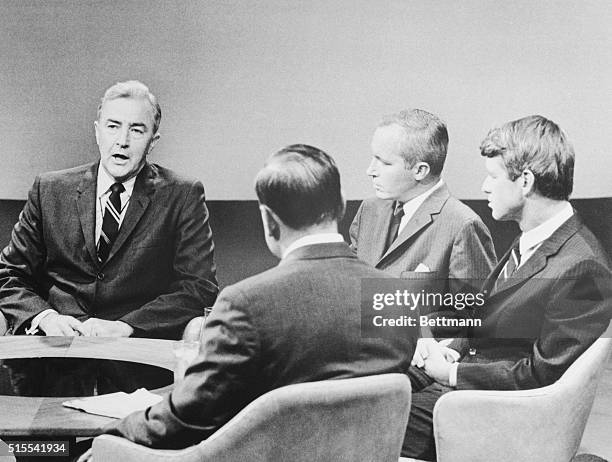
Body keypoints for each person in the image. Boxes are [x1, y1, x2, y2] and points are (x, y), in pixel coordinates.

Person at [84, 144, 417, 453]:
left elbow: (187, 420)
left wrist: (107, 439)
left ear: (269, 221)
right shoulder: (397, 296)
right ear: (340, 205)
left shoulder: (245, 304)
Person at [402, 115, 612, 459]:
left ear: (525, 181)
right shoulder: (533, 239)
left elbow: (541, 374)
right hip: (473, 383)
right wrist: (429, 333)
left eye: (493, 176)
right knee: (372, 382)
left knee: (364, 414)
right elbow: (485, 316)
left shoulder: (582, 267)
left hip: (496, 414)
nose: (485, 186)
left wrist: (452, 371)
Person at [0, 80, 218, 339]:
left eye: (136, 131)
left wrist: (126, 326)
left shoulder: (182, 195)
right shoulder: (49, 190)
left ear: (153, 141)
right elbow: (10, 274)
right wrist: (45, 317)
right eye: (113, 127)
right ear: (97, 131)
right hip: (56, 354)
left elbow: (199, 287)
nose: (122, 141)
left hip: (133, 357)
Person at [350, 109, 496, 336]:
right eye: (373, 158)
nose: (370, 171)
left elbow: (475, 319)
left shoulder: (463, 226)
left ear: (420, 170)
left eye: (384, 163)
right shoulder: (369, 210)